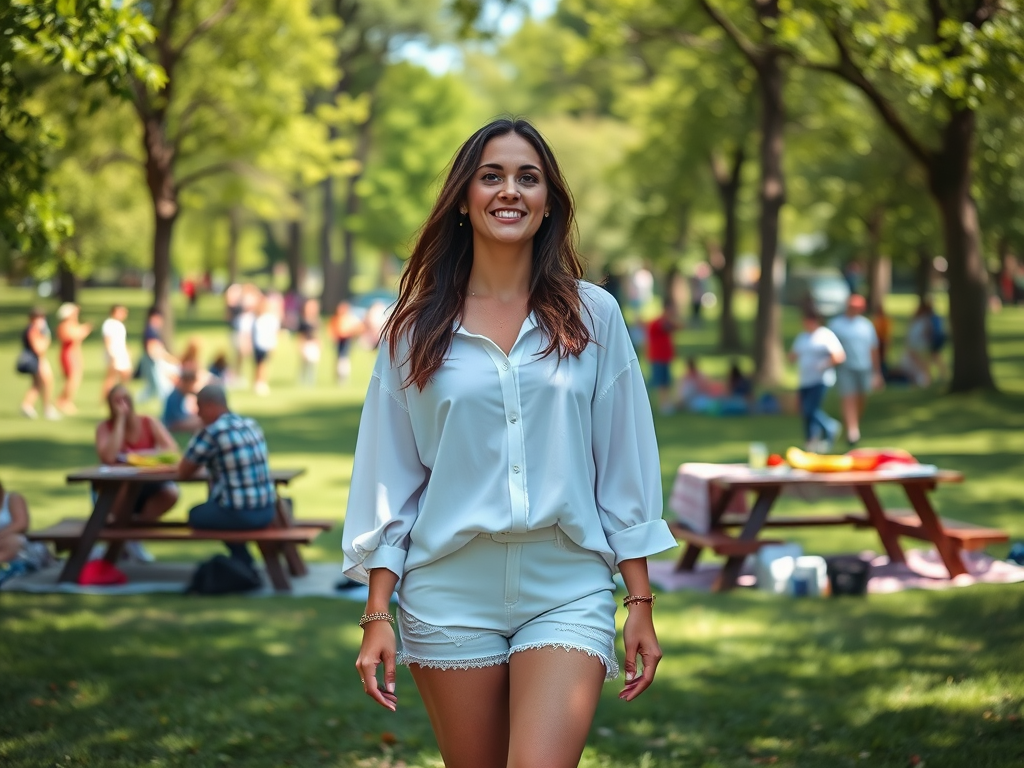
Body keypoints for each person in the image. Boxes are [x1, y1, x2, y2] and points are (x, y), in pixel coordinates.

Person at [342, 118, 676, 768]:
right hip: (447, 593)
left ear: (549, 199)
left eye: (529, 177)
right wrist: (377, 611)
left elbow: (623, 468)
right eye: (491, 175)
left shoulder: (594, 315)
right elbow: (390, 474)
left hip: (568, 585)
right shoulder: (414, 329)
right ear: (465, 196)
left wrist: (639, 601)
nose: (510, 190)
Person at [177, 384, 277, 568]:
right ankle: (243, 560)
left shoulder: (213, 432)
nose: (198, 415)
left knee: (196, 515)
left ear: (209, 406)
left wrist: (197, 432)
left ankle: (242, 560)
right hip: (268, 509)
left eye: (199, 409)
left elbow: (183, 471)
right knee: (216, 506)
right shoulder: (250, 424)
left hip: (240, 513)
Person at [95, 384, 180, 522]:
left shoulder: (148, 422)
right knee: (122, 489)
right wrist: (120, 421)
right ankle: (122, 530)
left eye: (125, 399)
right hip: (118, 482)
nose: (122, 405)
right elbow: (109, 457)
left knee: (170, 493)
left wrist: (145, 455)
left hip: (148, 480)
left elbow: (172, 451)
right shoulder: (104, 428)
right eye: (117, 401)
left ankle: (136, 529)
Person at [828, 295, 882, 447]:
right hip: (845, 367)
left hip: (864, 367)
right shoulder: (836, 324)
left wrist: (877, 372)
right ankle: (853, 431)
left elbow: (873, 349)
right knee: (848, 396)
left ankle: (852, 424)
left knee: (861, 398)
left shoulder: (866, 325)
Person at [789, 307, 846, 452]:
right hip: (805, 379)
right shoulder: (803, 337)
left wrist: (823, 365)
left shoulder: (825, 336)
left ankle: (829, 427)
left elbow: (839, 356)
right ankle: (810, 442)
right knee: (806, 412)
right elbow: (793, 355)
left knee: (811, 409)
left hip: (821, 379)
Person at [18, 308, 60, 420]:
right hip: (38, 360)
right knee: (46, 383)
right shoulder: (33, 330)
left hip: (40, 359)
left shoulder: (36, 329)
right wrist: (46, 338)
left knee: (37, 384)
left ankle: (27, 405)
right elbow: (39, 348)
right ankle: (47, 408)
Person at [55, 302, 92, 414]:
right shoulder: (65, 325)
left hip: (75, 353)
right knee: (72, 379)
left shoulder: (73, 324)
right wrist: (83, 330)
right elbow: (71, 336)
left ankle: (66, 400)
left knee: (75, 379)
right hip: (68, 354)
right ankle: (64, 401)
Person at [138, 307, 178, 403]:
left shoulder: (152, 330)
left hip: (153, 361)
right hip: (152, 361)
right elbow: (152, 349)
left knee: (152, 387)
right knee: (161, 385)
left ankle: (138, 401)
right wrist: (166, 358)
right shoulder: (150, 331)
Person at [646, 301, 680, 415]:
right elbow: (668, 327)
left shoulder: (665, 322)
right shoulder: (658, 322)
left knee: (666, 381)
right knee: (660, 382)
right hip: (658, 357)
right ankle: (663, 404)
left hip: (665, 357)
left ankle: (666, 403)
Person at [101, 304, 132, 399]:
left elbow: (121, 340)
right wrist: (111, 354)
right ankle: (106, 397)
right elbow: (107, 340)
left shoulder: (120, 325)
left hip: (121, 352)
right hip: (113, 353)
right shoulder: (109, 324)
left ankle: (121, 394)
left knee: (126, 373)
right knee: (111, 376)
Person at [329, 301, 364, 384]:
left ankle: (343, 377)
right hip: (339, 340)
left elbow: (359, 327)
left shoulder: (350, 318)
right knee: (339, 359)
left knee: (344, 359)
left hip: (346, 340)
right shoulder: (337, 318)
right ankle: (338, 377)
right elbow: (334, 330)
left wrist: (351, 332)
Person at [252, 293, 280, 396]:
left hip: (265, 344)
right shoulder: (258, 318)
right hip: (258, 344)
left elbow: (273, 332)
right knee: (259, 364)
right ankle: (258, 382)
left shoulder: (269, 318)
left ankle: (262, 382)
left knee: (264, 364)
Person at [162, 369, 203, 434]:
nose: (193, 388)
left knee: (199, 418)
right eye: (192, 385)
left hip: (178, 420)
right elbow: (176, 419)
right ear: (186, 383)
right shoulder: (174, 396)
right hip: (172, 424)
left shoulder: (181, 394)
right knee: (200, 422)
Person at [0, 479, 30, 564]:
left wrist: (1, 535)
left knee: (14, 542)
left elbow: (21, 524)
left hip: (12, 540)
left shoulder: (12, 499)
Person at [297, 297, 321, 387]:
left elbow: (318, 334)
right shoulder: (303, 321)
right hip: (306, 343)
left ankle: (311, 380)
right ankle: (302, 379)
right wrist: (300, 346)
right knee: (304, 362)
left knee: (312, 363)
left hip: (313, 343)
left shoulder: (316, 320)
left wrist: (319, 344)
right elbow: (301, 335)